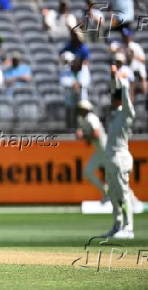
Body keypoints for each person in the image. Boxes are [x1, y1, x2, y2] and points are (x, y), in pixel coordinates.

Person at [102, 65, 136, 239]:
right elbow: (115, 90)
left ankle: (128, 228)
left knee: (123, 192)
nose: (111, 101)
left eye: (114, 99)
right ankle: (117, 226)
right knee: (114, 194)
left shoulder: (126, 114)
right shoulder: (115, 116)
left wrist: (120, 80)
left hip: (121, 158)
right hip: (111, 159)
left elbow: (126, 98)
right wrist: (113, 79)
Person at [75, 100, 108, 201]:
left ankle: (124, 198)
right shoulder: (81, 119)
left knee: (112, 175)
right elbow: (88, 138)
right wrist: (82, 135)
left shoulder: (92, 118)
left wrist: (84, 135)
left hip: (106, 149)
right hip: (99, 151)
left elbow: (96, 134)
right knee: (88, 172)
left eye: (83, 109)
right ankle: (106, 192)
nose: (81, 111)